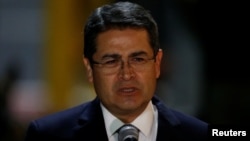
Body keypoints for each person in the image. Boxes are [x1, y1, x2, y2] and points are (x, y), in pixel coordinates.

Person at [24, 1, 208, 141]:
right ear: (89, 68)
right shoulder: (48, 135)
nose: (126, 74)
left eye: (138, 59)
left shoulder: (197, 134)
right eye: (111, 61)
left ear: (157, 64)